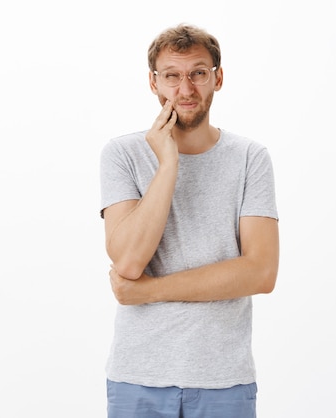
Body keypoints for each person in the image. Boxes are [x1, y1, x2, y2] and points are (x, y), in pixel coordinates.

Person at [99, 23, 279, 418]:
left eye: (198, 73)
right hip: (137, 377)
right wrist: (167, 165)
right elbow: (128, 261)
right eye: (172, 76)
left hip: (223, 381)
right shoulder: (122, 155)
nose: (186, 90)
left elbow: (261, 272)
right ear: (154, 83)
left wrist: (149, 291)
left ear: (218, 77)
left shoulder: (250, 158)